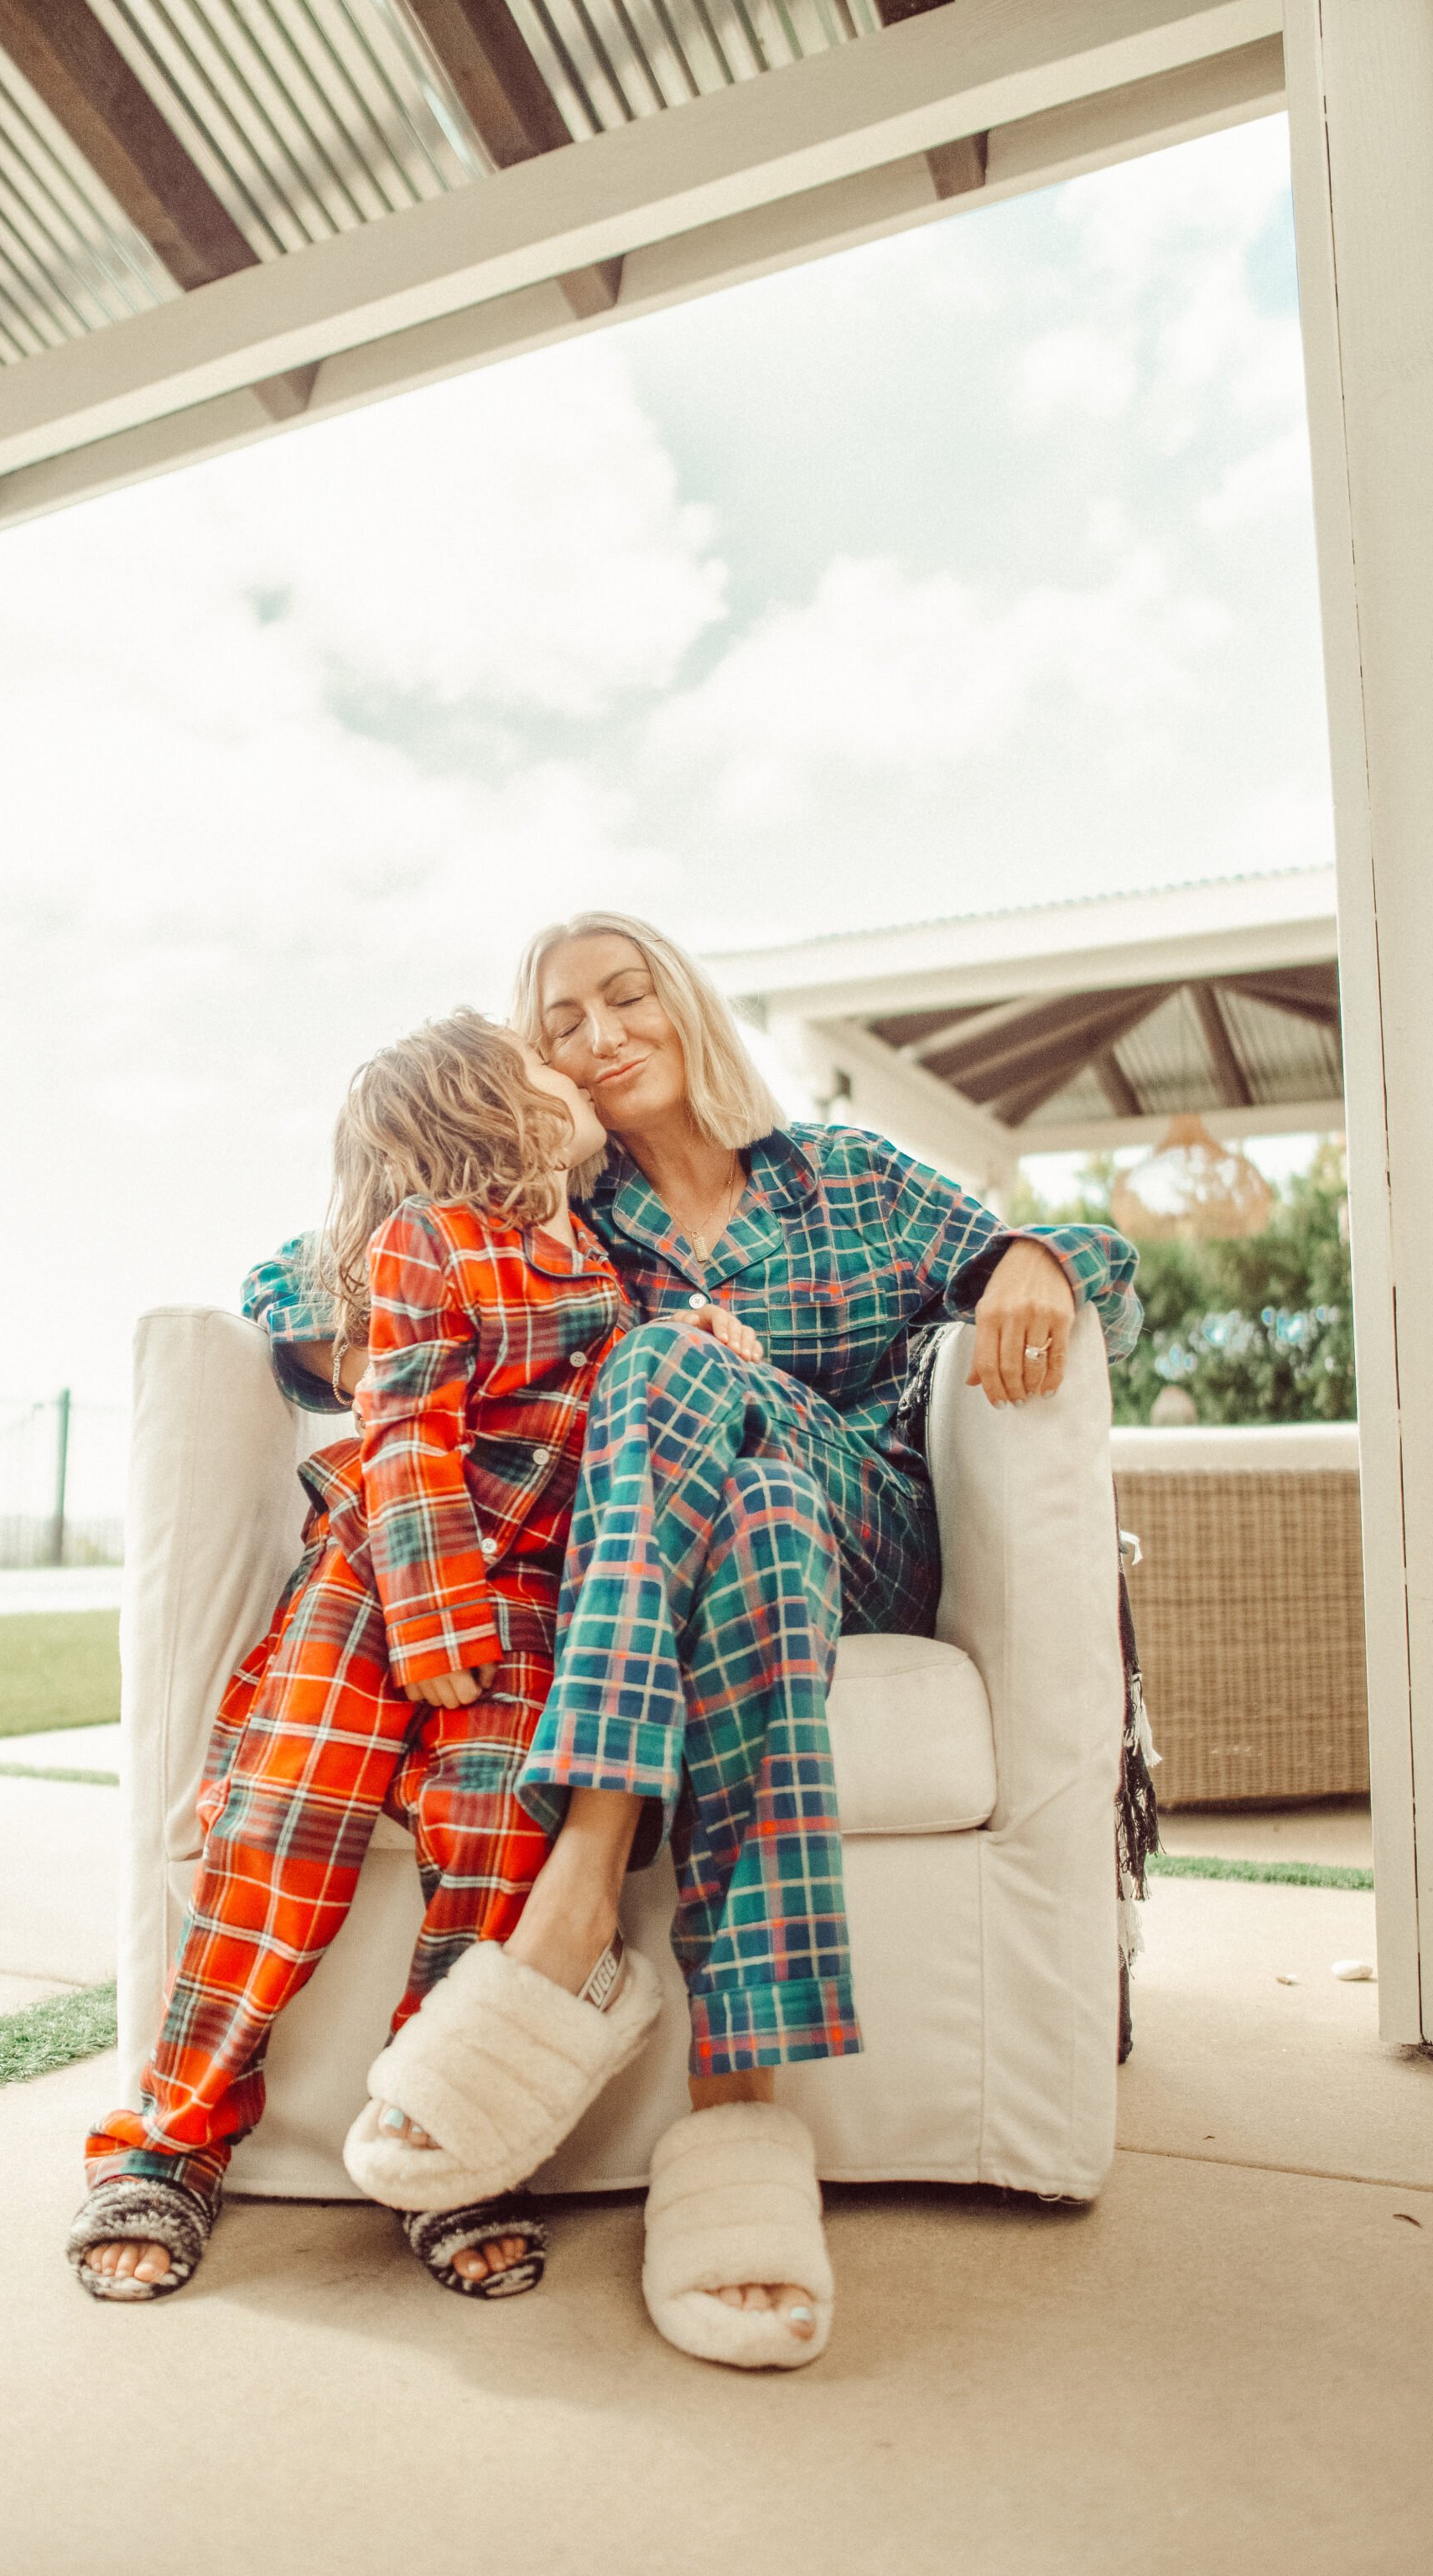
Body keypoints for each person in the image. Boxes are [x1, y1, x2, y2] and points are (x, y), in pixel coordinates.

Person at [336, 913, 1140, 2371]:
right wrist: (329, 1324)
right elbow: (316, 1271)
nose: (598, 1036)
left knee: (684, 1377)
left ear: (685, 1003)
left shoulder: (841, 1176)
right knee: (747, 1507)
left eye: (624, 996)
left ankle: (578, 1896)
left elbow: (1073, 1241)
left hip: (873, 1537)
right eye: (560, 1021)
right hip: (736, 1561)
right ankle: (738, 2115)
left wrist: (1040, 1257)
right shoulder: (553, 1214)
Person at [69, 1009, 759, 2303]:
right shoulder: (425, 1242)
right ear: (495, 1113)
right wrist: (434, 1612)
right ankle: (171, 2138)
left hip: (528, 1615)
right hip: (384, 1577)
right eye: (543, 1064)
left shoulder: (602, 1266)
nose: (576, 1073)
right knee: (284, 1817)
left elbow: (644, 1376)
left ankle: (450, 2139)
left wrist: (708, 1333)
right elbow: (405, 1427)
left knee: (500, 1831)